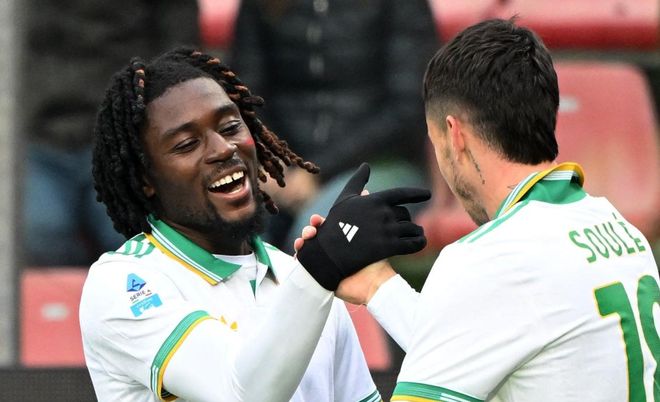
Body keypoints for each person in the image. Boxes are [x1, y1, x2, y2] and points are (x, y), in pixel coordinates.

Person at [295, 19, 660, 401]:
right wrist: (377, 286)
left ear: (455, 136)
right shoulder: (619, 229)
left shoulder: (490, 258)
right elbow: (484, 341)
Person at [79, 47, 429, 401]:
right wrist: (321, 267)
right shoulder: (123, 284)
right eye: (187, 144)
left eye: (231, 127)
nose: (223, 148)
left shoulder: (303, 279)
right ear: (145, 180)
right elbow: (242, 395)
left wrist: (381, 288)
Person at [229, 0, 437, 251]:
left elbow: (406, 112)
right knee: (240, 226)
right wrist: (272, 160)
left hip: (381, 163)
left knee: (316, 237)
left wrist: (317, 171)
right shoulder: (261, 5)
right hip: (284, 167)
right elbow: (246, 94)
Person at [20, 0, 199, 266]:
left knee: (136, 238)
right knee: (38, 236)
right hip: (38, 136)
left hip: (127, 133)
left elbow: (178, 59)